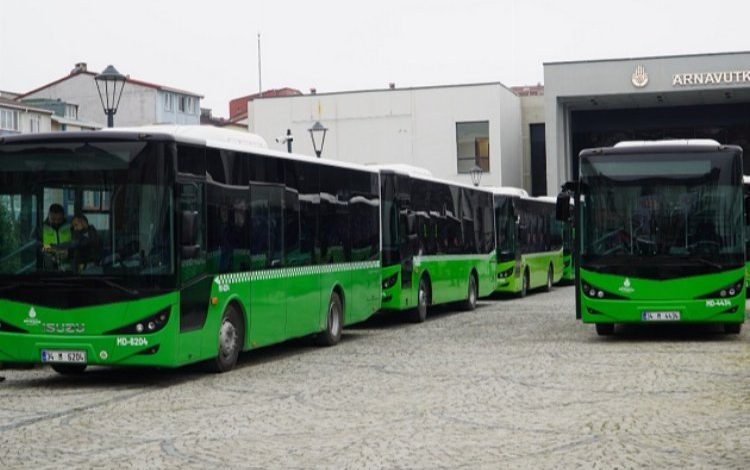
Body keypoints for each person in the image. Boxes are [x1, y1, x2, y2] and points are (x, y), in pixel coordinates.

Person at [42, 203, 72, 269]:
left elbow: (76, 244)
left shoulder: (71, 227)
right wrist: (52, 250)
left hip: (68, 268)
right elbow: (36, 245)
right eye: (53, 219)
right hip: (47, 268)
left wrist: (69, 252)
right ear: (48, 216)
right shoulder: (41, 228)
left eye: (59, 219)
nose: (56, 222)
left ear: (63, 216)